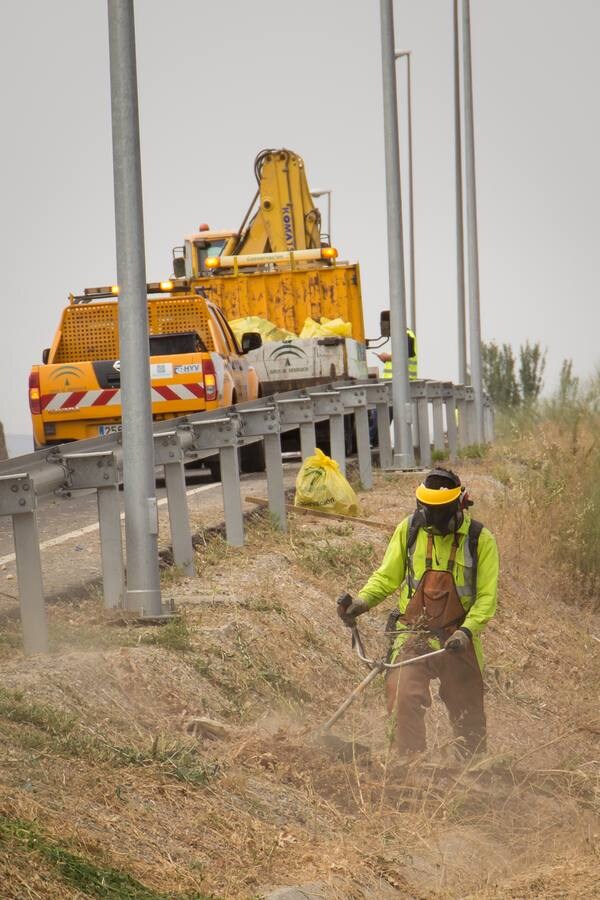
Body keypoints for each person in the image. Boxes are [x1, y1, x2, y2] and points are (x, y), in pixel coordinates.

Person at [337, 467, 499, 758]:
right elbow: (387, 577)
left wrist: (465, 631)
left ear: (459, 505)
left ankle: (474, 772)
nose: (432, 519)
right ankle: (410, 766)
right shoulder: (410, 530)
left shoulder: (479, 540)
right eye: (428, 510)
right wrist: (361, 603)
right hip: (413, 635)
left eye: (440, 511)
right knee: (401, 695)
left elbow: (486, 599)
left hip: (457, 638)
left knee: (467, 710)